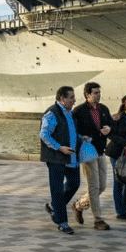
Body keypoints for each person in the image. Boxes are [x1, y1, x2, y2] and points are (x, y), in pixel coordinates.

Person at [40, 86, 81, 234]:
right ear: (62, 99)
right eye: (71, 97)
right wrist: (59, 147)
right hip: (56, 157)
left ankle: (54, 206)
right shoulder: (52, 113)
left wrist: (81, 138)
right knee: (57, 189)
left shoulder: (70, 113)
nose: (74, 100)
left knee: (74, 183)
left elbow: (71, 131)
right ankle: (62, 222)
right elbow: (44, 134)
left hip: (71, 156)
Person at [71, 82, 112, 230]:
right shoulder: (79, 111)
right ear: (87, 94)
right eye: (95, 93)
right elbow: (73, 131)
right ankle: (98, 219)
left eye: (99, 92)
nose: (98, 95)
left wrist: (109, 128)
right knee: (94, 187)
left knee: (102, 186)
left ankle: (79, 205)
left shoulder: (104, 109)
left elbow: (110, 125)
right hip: (88, 152)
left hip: (101, 150)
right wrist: (82, 138)